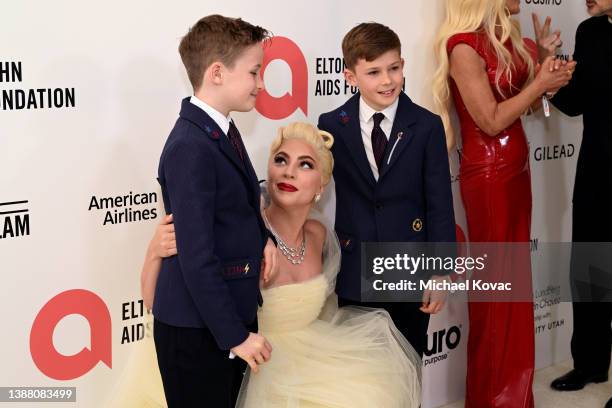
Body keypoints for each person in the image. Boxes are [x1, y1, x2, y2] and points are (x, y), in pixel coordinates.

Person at [143, 122, 423, 407]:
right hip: (251, 361)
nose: (289, 171)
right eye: (281, 160)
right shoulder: (241, 231)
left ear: (321, 186)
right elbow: (156, 300)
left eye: (305, 165)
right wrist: (154, 252)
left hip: (310, 358)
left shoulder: (319, 235)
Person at [432, 0, 576, 406]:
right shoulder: (463, 47)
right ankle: (492, 399)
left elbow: (526, 108)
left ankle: (514, 396)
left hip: (516, 172)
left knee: (513, 293)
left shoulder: (505, 41)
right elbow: (491, 120)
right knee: (497, 297)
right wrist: (538, 83)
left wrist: (545, 70)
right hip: (490, 179)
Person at [150, 15, 278, 407]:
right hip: (195, 330)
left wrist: (265, 239)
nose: (261, 83)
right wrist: (236, 336)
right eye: (254, 72)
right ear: (217, 73)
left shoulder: (222, 129)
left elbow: (239, 205)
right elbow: (197, 256)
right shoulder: (190, 145)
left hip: (218, 321)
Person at [317, 22, 457, 359]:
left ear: (403, 65)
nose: (387, 80)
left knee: (406, 362)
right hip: (355, 267)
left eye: (394, 68)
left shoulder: (426, 125)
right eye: (374, 72)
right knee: (360, 369)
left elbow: (439, 201)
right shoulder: (331, 124)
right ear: (350, 77)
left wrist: (440, 272)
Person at [543, 0, 612, 395]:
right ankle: (590, 364)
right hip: (595, 173)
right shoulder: (590, 32)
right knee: (590, 272)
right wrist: (550, 77)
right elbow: (577, 103)